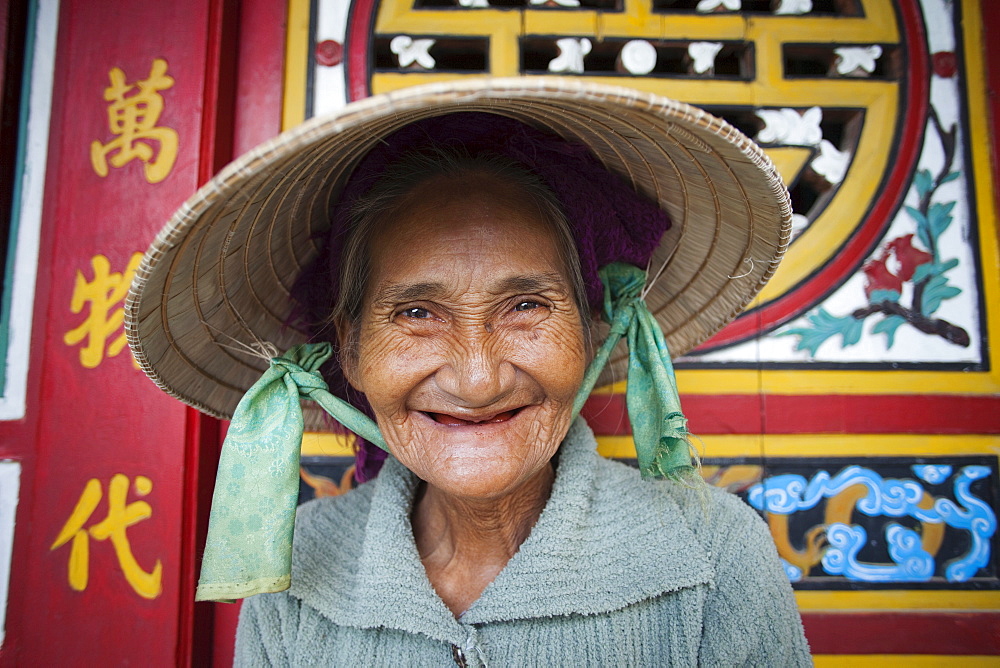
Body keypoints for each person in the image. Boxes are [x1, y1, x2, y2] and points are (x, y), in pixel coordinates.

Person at [126, 78, 810, 665]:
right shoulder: (299, 572)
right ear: (352, 351)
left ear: (589, 331)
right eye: (418, 312)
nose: (478, 380)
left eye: (525, 306)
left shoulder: (714, 556)